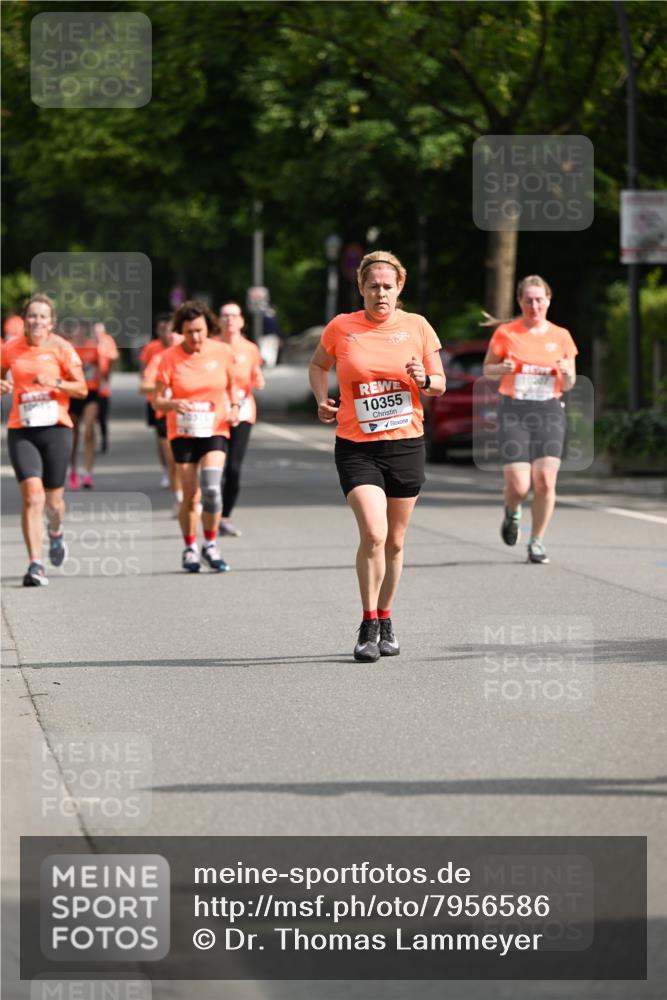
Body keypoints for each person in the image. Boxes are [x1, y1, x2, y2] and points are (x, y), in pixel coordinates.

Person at [308, 250, 445, 662]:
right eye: (373, 286)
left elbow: (438, 382)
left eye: (388, 286)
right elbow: (319, 366)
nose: (380, 293)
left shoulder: (417, 327)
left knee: (397, 542)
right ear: (361, 288)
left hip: (405, 444)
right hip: (357, 446)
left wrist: (425, 379)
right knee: (374, 533)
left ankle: (386, 618)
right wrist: (321, 399)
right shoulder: (342, 327)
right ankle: (368, 624)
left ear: (399, 287)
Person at [482, 275, 577, 565]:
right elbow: (488, 369)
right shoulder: (506, 333)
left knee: (546, 481)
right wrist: (503, 368)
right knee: (520, 486)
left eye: (539, 299)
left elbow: (570, 382)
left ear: (548, 300)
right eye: (528, 300)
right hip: (514, 411)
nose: (534, 305)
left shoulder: (561, 336)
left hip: (549, 410)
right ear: (520, 302)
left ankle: (537, 541)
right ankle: (513, 510)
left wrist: (566, 371)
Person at [0, 294, 86, 586]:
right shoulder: (10, 348)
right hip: (22, 429)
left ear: (51, 322)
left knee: (54, 503)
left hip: (56, 429)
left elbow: (82, 389)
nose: (37, 321)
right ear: (24, 320)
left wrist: (56, 382)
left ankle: (57, 532)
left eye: (42, 317)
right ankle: (35, 564)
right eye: (32, 316)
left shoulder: (62, 348)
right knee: (32, 495)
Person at [154, 300, 239, 573]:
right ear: (181, 331)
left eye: (200, 331)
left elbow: (232, 385)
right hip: (183, 431)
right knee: (191, 495)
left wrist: (235, 407)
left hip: (214, 428)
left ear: (208, 328)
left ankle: (211, 545)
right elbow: (156, 400)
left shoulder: (222, 351)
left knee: (212, 489)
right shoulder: (169, 358)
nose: (195, 337)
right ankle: (190, 547)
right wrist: (172, 404)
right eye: (189, 332)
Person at [216, 301, 265, 536]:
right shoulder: (210, 346)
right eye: (225, 315)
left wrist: (258, 379)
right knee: (213, 466)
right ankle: (208, 508)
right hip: (215, 412)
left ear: (242, 321)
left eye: (234, 316)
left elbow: (255, 374)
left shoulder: (250, 349)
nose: (229, 320)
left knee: (233, 468)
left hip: (243, 411)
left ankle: (224, 516)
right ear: (218, 321)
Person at [139, 317, 184, 514]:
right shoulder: (158, 356)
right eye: (169, 331)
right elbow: (145, 384)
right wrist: (165, 386)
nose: (172, 335)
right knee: (173, 460)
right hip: (165, 412)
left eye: (176, 331)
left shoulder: (197, 355)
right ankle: (180, 498)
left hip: (191, 415)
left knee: (192, 462)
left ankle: (194, 496)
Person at [66, 320, 101, 489]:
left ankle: (88, 473)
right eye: (77, 330)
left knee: (88, 432)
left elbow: (100, 369)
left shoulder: (93, 347)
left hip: (90, 393)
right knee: (73, 436)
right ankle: (72, 469)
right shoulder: (68, 348)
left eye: (83, 331)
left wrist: (102, 386)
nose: (80, 334)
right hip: (72, 394)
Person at [93, 321, 119, 453]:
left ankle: (104, 439)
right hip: (90, 384)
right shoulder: (89, 341)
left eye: (100, 331)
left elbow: (115, 356)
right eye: (96, 331)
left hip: (103, 384)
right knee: (91, 416)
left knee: (102, 416)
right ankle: (91, 439)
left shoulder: (108, 341)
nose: (98, 334)